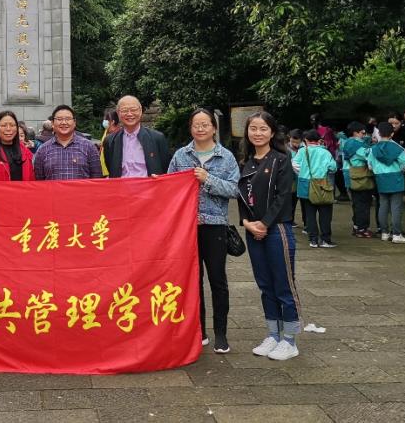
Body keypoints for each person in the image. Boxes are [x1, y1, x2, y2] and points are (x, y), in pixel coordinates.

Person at [167, 108, 239, 352]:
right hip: (186, 228)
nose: (200, 128)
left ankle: (221, 333)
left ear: (214, 128)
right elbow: (169, 185)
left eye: (205, 124)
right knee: (192, 281)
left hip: (215, 226)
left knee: (218, 280)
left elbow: (234, 189)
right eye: (196, 125)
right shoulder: (181, 155)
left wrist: (207, 179)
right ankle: (199, 331)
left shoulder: (226, 157)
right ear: (190, 128)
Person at [237, 111, 302, 361]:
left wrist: (264, 224)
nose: (258, 133)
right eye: (253, 128)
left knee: (284, 284)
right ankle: (273, 335)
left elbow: (283, 197)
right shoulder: (246, 162)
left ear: (272, 132)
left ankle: (290, 340)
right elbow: (242, 197)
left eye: (263, 128)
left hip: (277, 230)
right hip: (253, 230)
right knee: (265, 285)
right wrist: (247, 223)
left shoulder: (281, 160)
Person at [102, 96, 172, 178]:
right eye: (124, 110)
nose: (129, 114)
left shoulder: (157, 138)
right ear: (118, 113)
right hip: (121, 185)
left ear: (140, 111)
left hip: (149, 185)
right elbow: (111, 167)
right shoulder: (110, 141)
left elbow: (166, 168)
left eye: (133, 110)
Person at [292, 129, 337, 249]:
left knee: (309, 214)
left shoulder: (302, 151)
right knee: (325, 213)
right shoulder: (325, 152)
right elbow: (333, 167)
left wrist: (302, 172)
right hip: (322, 185)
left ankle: (313, 240)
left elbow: (294, 164)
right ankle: (325, 239)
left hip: (305, 184)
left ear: (306, 140)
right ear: (319, 140)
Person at [33, 104, 102, 180]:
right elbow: (39, 181)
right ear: (52, 123)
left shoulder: (89, 147)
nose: (64, 122)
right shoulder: (43, 150)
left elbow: (97, 179)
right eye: (59, 119)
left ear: (74, 122)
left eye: (68, 119)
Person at [368, 122, 405, 243]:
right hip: (396, 178)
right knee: (396, 207)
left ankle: (384, 233)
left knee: (383, 206)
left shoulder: (373, 149)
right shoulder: (398, 148)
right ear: (392, 133)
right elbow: (404, 164)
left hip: (381, 178)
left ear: (379, 133)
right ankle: (396, 234)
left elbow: (370, 166)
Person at [340, 122, 374, 238]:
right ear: (355, 133)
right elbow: (367, 156)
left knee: (356, 203)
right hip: (360, 177)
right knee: (363, 203)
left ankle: (356, 226)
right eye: (362, 132)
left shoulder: (347, 142)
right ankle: (362, 229)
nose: (364, 135)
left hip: (349, 174)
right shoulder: (357, 145)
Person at [99, 108, 121, 177]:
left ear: (112, 121)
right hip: (103, 170)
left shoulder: (118, 135)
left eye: (106, 119)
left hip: (110, 172)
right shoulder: (107, 131)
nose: (104, 121)